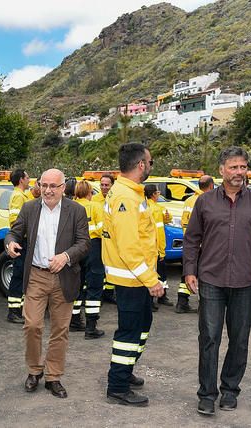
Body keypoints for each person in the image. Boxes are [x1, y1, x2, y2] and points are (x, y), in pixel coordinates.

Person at [183, 147, 251, 415]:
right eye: (233, 167)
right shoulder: (204, 202)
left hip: (246, 281)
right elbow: (192, 239)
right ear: (221, 171)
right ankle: (206, 394)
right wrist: (189, 270)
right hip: (211, 280)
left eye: (243, 167)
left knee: (239, 340)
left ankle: (229, 390)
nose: (239, 172)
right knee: (209, 338)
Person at [5, 168, 89, 399]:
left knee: (60, 329)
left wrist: (66, 256)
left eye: (53, 186)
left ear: (63, 188)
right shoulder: (30, 208)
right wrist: (10, 244)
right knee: (32, 325)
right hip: (36, 276)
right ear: (39, 186)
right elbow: (14, 233)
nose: (48, 190)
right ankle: (34, 370)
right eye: (44, 185)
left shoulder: (76, 211)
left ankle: (53, 376)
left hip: (65, 276)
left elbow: (84, 243)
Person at [103, 143, 164, 407]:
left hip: (135, 278)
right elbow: (129, 247)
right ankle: (117, 385)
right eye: (149, 163)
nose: (150, 166)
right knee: (129, 333)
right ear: (141, 165)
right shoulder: (127, 197)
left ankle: (124, 372)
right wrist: (151, 281)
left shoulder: (131, 193)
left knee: (141, 327)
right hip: (132, 280)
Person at [70, 180, 105, 339]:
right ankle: (91, 327)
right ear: (89, 192)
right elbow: (102, 229)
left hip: (75, 249)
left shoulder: (70, 207)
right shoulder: (96, 206)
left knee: (76, 285)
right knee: (94, 287)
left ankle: (74, 320)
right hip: (92, 247)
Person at [176, 175, 214, 314]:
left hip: (190, 241)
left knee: (188, 271)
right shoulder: (207, 200)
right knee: (204, 273)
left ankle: (182, 301)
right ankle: (203, 305)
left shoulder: (190, 200)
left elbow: (184, 221)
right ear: (211, 186)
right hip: (203, 243)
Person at [7, 168, 32, 324]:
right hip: (21, 241)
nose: (29, 179)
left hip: (22, 239)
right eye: (27, 177)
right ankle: (13, 312)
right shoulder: (18, 196)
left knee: (22, 275)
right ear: (21, 179)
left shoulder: (22, 195)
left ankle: (19, 309)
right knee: (18, 275)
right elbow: (15, 221)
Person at [144, 184, 173, 310]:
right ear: (154, 194)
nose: (159, 194)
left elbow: (167, 219)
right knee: (159, 274)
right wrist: (161, 251)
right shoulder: (156, 209)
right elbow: (158, 232)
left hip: (149, 248)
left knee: (154, 274)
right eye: (157, 193)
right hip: (156, 249)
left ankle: (155, 299)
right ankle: (156, 299)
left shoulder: (146, 207)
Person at [93, 174, 117, 304]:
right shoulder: (94, 200)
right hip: (98, 239)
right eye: (102, 184)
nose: (103, 187)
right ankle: (99, 293)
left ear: (112, 185)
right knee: (98, 268)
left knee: (111, 266)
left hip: (113, 239)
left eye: (106, 185)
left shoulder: (116, 199)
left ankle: (109, 293)